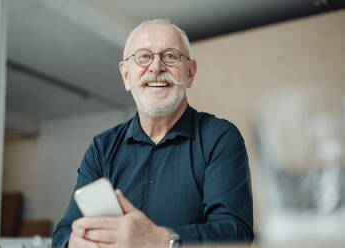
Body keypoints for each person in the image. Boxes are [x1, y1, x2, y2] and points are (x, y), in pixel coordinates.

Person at [52, 19, 254, 248]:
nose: (156, 67)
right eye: (144, 57)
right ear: (126, 76)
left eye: (170, 56)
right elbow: (63, 233)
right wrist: (74, 243)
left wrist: (161, 240)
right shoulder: (102, 148)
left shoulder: (220, 138)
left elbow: (236, 234)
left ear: (190, 72)